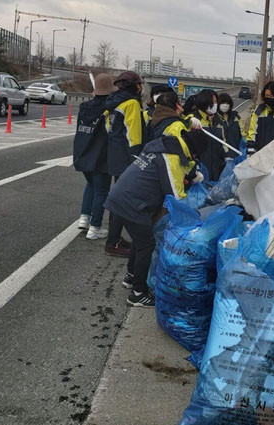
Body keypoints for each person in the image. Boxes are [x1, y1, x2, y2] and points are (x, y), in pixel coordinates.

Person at [103, 129, 209, 307]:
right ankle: (138, 293)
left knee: (140, 239)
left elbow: (179, 168)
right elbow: (175, 196)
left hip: (122, 197)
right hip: (131, 202)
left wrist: (191, 174)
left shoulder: (167, 148)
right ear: (194, 151)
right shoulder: (171, 157)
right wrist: (195, 217)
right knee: (147, 244)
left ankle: (131, 276)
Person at [104, 71, 147, 257]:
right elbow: (133, 134)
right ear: (135, 86)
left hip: (114, 154)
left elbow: (108, 126)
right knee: (122, 202)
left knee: (118, 196)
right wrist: (136, 159)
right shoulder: (131, 103)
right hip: (127, 157)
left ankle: (114, 239)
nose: (141, 87)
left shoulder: (113, 102)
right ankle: (112, 242)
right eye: (139, 84)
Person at [73, 73, 116, 239]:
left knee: (90, 185)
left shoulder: (84, 107)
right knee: (101, 191)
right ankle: (95, 228)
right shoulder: (109, 110)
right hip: (100, 155)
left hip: (82, 153)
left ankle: (84, 218)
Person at [193, 89, 226, 181]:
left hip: (217, 168)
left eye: (216, 102)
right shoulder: (194, 120)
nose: (215, 104)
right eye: (213, 102)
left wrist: (227, 159)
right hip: (199, 170)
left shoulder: (219, 121)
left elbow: (224, 142)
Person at [218, 93, 246, 160]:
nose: (225, 105)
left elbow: (242, 133)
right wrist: (226, 153)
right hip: (222, 155)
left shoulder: (235, 117)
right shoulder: (214, 119)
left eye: (227, 103)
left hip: (237, 152)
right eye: (223, 103)